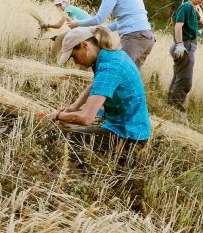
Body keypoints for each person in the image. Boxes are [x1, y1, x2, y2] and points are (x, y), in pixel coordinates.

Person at [47, 26, 151, 157]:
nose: (76, 62)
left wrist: (58, 116)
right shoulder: (111, 55)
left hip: (127, 136)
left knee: (58, 137)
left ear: (84, 45)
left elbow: (86, 118)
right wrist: (73, 107)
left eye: (74, 56)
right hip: (124, 125)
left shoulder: (110, 68)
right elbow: (96, 84)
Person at [69, 0, 154, 69]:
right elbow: (120, 22)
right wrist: (101, 29)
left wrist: (78, 23)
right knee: (130, 74)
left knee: (116, 69)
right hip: (147, 38)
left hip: (134, 37)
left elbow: (99, 19)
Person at [167, 0, 203, 112]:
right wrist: (180, 44)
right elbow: (178, 26)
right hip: (184, 45)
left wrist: (201, 31)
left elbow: (189, 30)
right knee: (185, 79)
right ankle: (176, 107)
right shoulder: (186, 6)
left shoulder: (192, 8)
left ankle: (170, 105)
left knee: (178, 76)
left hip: (187, 43)